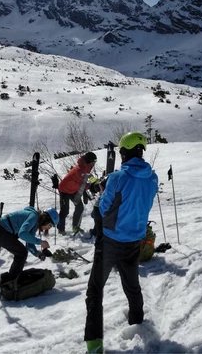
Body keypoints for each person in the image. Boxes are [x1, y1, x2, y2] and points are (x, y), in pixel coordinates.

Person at [84, 133, 159, 354]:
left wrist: (103, 194)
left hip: (110, 240)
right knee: (131, 283)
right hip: (135, 239)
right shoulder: (152, 178)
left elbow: (104, 208)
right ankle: (137, 321)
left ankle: (94, 344)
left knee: (95, 290)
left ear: (124, 153)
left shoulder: (117, 178)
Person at [0, 206, 57, 280]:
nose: (48, 228)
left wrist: (37, 253)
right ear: (46, 219)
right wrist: (40, 242)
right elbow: (22, 234)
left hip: (6, 231)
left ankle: (13, 277)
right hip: (3, 231)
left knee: (21, 252)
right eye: (50, 225)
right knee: (22, 253)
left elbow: (29, 242)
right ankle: (13, 279)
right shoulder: (34, 217)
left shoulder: (35, 222)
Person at [58, 152, 97, 234]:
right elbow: (82, 184)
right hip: (64, 190)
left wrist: (95, 181)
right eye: (94, 161)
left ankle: (75, 227)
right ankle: (61, 229)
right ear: (90, 161)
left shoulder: (87, 166)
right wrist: (91, 186)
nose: (95, 162)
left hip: (73, 190)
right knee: (65, 211)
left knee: (79, 207)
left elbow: (88, 176)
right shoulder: (80, 170)